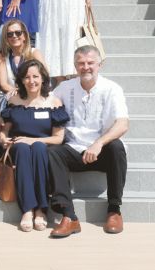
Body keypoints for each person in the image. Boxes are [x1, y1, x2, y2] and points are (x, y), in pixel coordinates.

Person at [48, 45, 129, 238]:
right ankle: (69, 216)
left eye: (90, 63)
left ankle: (114, 210)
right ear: (75, 66)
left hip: (102, 151)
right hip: (74, 149)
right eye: (81, 63)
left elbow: (123, 124)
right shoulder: (65, 88)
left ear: (99, 65)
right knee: (52, 152)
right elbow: (44, 102)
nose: (86, 67)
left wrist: (99, 143)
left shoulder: (112, 89)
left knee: (117, 147)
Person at [0, 59, 68, 232]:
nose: (31, 81)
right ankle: (27, 209)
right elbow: (5, 130)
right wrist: (3, 138)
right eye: (27, 77)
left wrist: (33, 140)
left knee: (37, 148)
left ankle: (41, 209)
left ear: (43, 78)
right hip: (18, 147)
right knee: (22, 148)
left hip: (43, 148)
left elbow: (58, 138)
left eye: (35, 76)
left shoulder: (54, 102)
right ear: (21, 80)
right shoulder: (15, 100)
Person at [0, 19, 47, 103]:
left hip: (34, 95)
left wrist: (28, 93)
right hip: (13, 95)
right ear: (6, 38)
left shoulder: (35, 53)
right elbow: (3, 85)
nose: (14, 36)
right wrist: (19, 93)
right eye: (10, 34)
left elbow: (44, 77)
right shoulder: (2, 56)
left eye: (18, 33)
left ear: (25, 36)